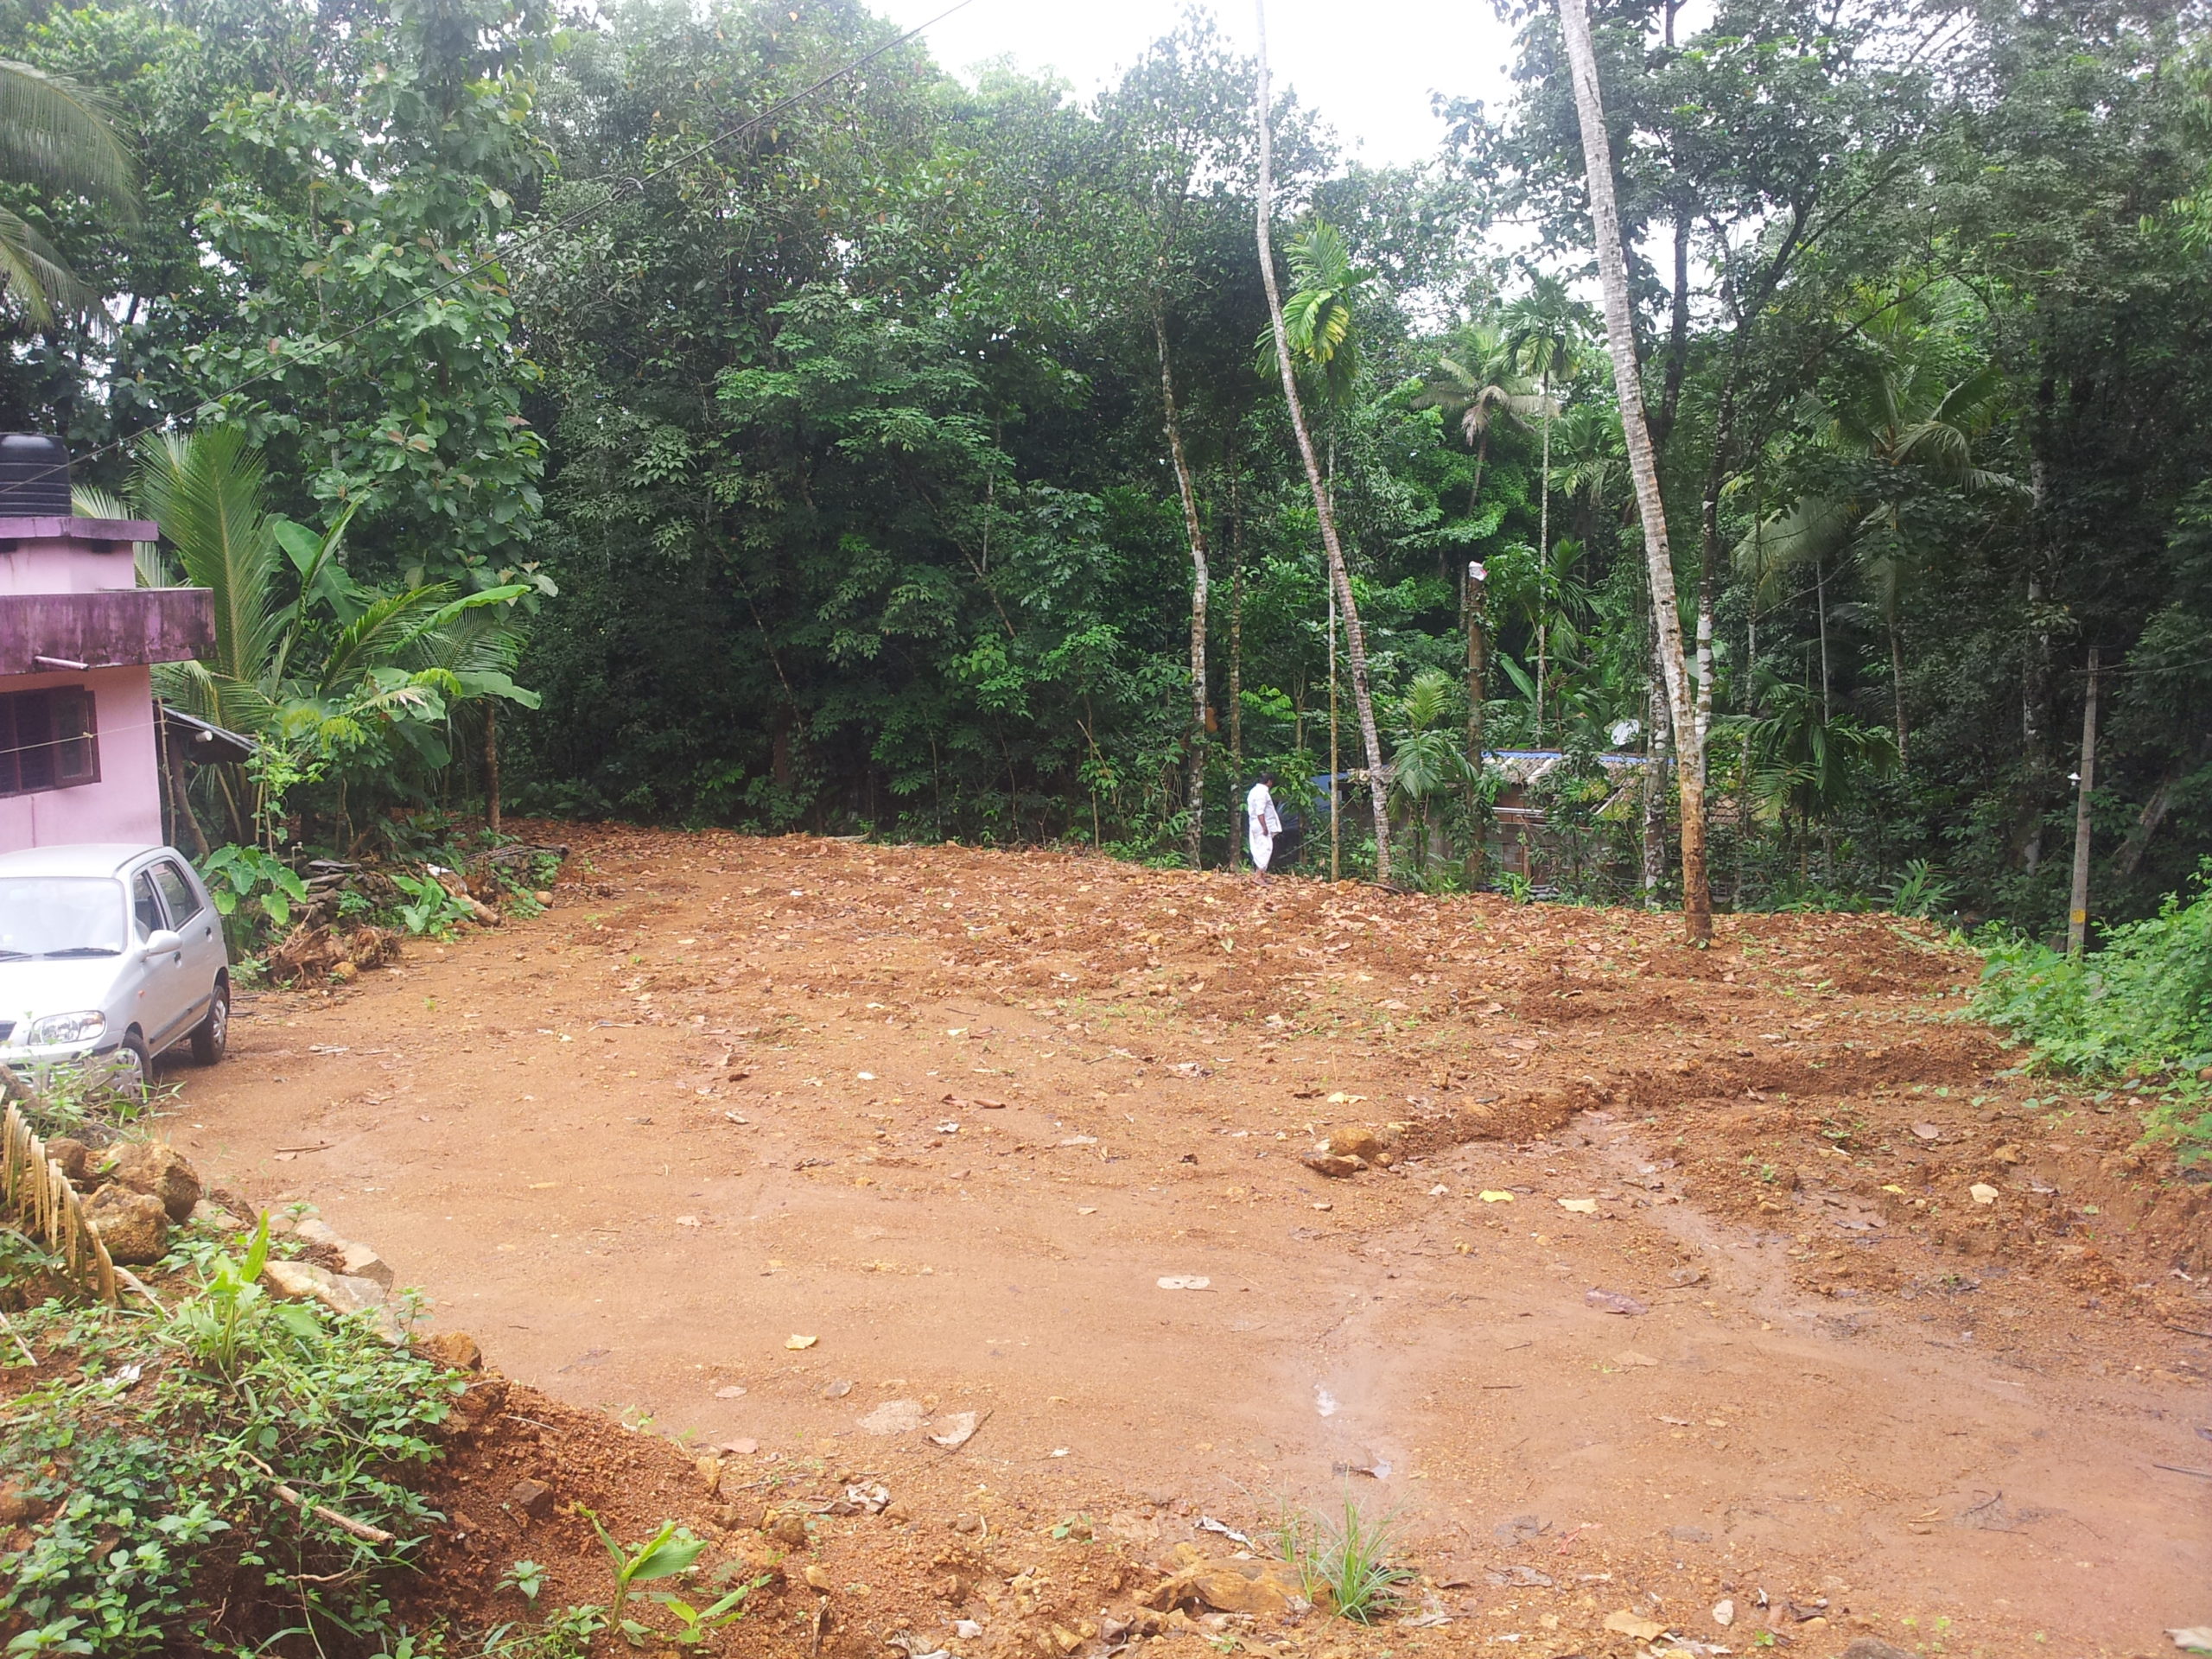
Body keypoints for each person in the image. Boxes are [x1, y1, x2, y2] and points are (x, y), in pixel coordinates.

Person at [1245, 772, 1284, 876]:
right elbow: (1260, 812)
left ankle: (1260, 874)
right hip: (1261, 824)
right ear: (1269, 782)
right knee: (1265, 849)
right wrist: (1264, 827)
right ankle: (1259, 875)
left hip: (1256, 823)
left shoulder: (1254, 791)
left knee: (1261, 848)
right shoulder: (1262, 793)